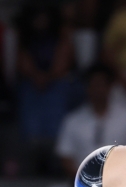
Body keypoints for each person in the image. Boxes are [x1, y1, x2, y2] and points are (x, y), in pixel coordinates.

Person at [16, 4, 76, 175]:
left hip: (56, 80)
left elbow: (63, 62)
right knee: (27, 91)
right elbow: (22, 60)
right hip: (32, 82)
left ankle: (54, 146)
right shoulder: (25, 35)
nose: (41, 21)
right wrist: (36, 75)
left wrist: (48, 77)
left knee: (58, 91)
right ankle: (33, 143)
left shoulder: (61, 33)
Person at [56, 64, 126, 178]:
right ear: (87, 87)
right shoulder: (73, 120)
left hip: (120, 182)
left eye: (101, 85)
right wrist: (85, 180)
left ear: (110, 87)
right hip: (81, 184)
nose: (97, 90)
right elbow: (66, 156)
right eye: (93, 85)